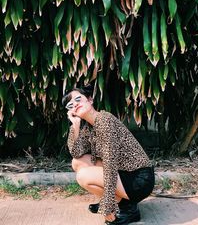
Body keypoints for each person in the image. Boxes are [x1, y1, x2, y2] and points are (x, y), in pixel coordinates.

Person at [62, 85, 155, 225]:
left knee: (83, 176)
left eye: (78, 99)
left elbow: (110, 164)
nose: (75, 104)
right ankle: (119, 202)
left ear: (90, 100)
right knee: (78, 162)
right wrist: (75, 125)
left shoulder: (105, 120)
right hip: (123, 173)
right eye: (70, 105)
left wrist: (107, 205)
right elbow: (76, 153)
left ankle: (127, 209)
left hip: (139, 179)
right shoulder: (89, 127)